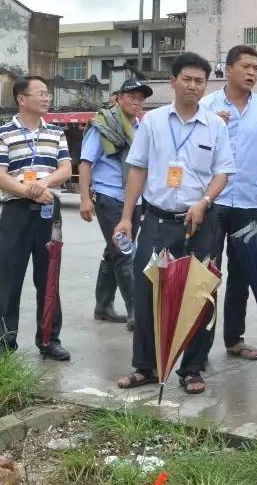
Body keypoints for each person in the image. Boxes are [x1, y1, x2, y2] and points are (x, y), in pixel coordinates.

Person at [114, 52, 235, 395]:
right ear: (173, 81)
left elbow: (223, 171)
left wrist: (204, 202)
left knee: (200, 293)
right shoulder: (152, 122)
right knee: (148, 289)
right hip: (157, 220)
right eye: (188, 79)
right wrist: (126, 217)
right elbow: (137, 168)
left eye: (200, 81)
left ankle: (193, 368)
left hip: (201, 222)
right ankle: (147, 367)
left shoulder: (216, 125)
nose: (194, 86)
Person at [199, 45, 257, 362]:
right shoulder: (206, 106)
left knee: (242, 275)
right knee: (207, 273)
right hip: (213, 201)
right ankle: (200, 345)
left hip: (249, 201)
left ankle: (234, 339)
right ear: (228, 69)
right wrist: (209, 124)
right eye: (246, 66)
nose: (252, 73)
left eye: (256, 68)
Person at [0, 75, 73, 360]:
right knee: (10, 277)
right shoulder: (2, 134)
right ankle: (3, 340)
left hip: (49, 213)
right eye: (40, 93)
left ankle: (49, 340)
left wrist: (42, 186)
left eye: (47, 93)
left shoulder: (56, 133)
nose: (46, 98)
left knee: (48, 278)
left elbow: (65, 169)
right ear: (21, 99)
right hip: (16, 213)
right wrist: (28, 191)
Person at [78, 78, 153, 328]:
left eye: (141, 98)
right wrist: (85, 199)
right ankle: (135, 312)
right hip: (109, 197)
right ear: (118, 98)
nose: (137, 102)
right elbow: (85, 163)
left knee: (114, 251)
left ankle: (103, 306)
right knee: (124, 252)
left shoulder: (142, 129)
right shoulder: (102, 127)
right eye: (132, 96)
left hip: (135, 199)